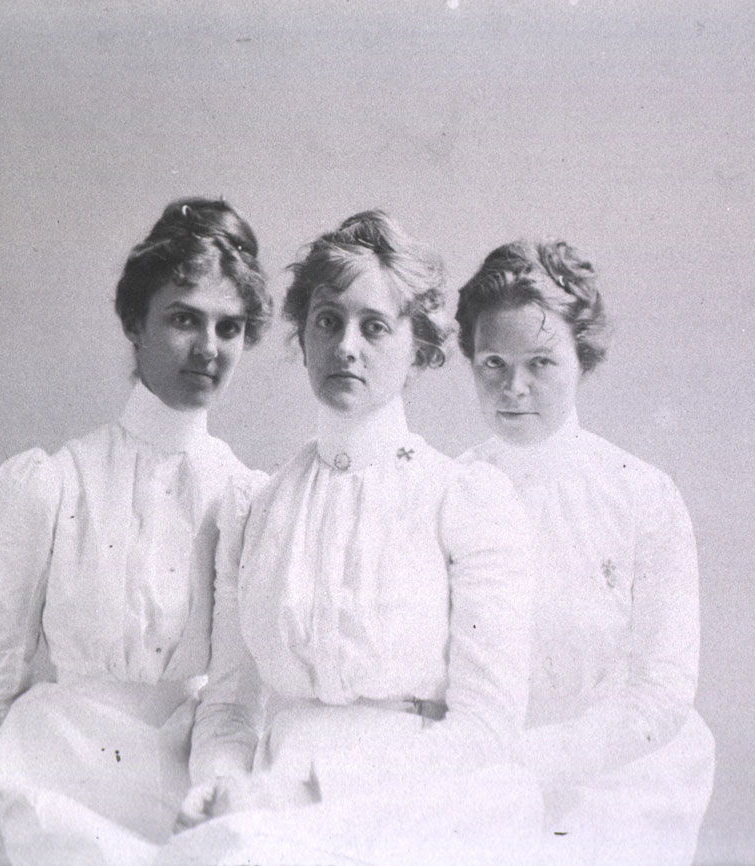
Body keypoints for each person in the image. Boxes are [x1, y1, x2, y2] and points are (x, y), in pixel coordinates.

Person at [165, 211, 541, 866]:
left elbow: (487, 728)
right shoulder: (254, 509)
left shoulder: (465, 501)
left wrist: (313, 794)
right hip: (273, 799)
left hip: (419, 801)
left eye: (374, 327)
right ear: (302, 336)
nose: (346, 347)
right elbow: (228, 707)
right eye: (328, 321)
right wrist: (223, 789)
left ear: (418, 347)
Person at [0, 197, 272, 866]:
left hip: (193, 786)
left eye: (230, 327)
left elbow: (232, 695)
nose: (207, 349)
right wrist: (38, 805)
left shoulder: (246, 500)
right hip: (62, 787)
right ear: (135, 321)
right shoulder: (52, 484)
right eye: (184, 319)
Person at [455, 239, 715, 866]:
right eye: (493, 363)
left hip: (617, 776)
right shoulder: (449, 491)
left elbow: (663, 687)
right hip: (480, 773)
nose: (513, 387)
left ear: (582, 359)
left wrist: (538, 763)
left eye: (541, 363)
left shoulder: (640, 494)